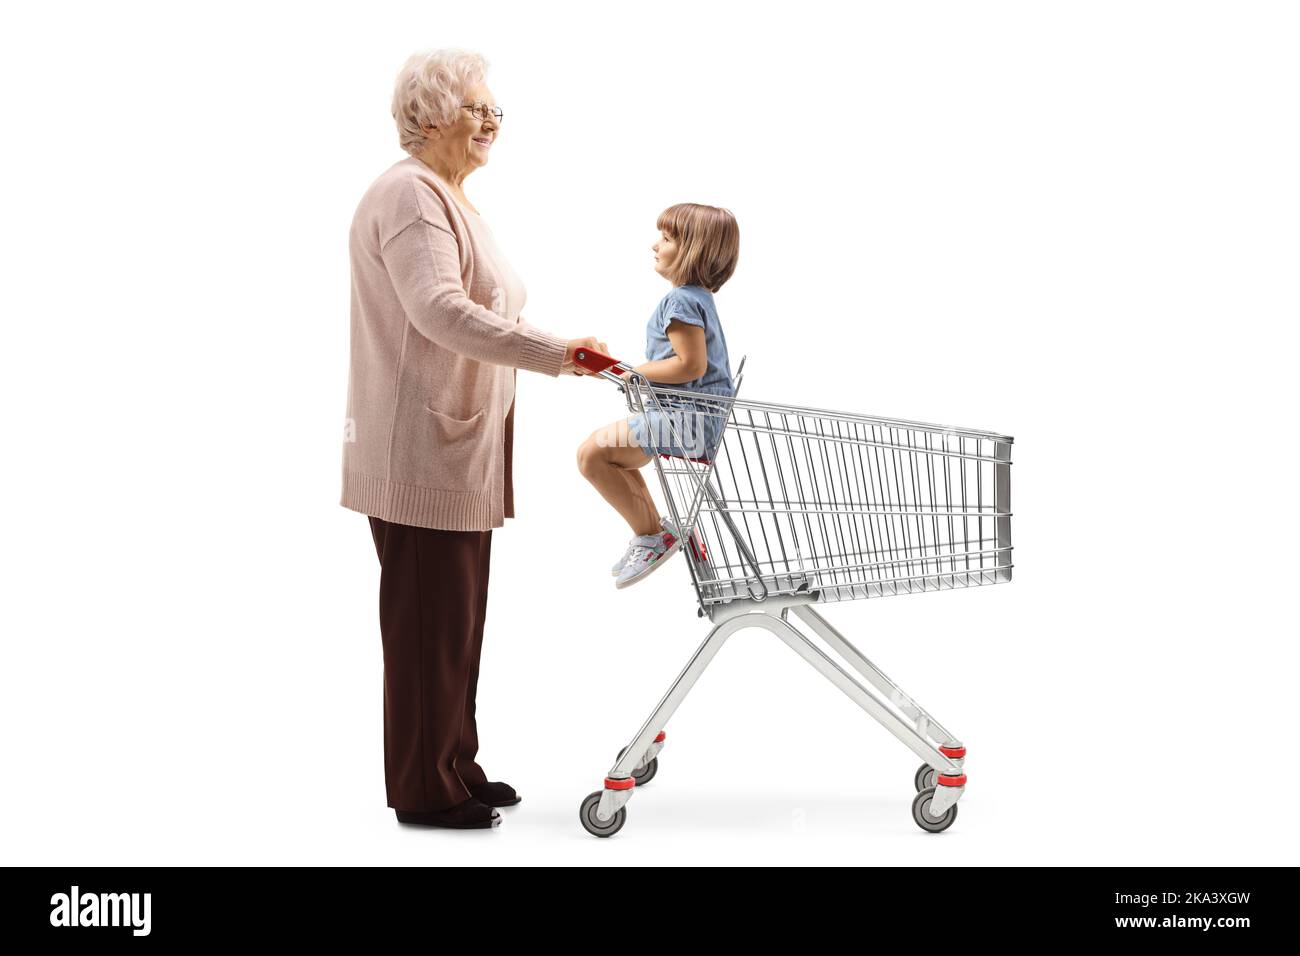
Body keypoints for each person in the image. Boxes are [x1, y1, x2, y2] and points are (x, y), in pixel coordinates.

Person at [341, 48, 606, 829]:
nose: (492, 121)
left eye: (497, 109)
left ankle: (454, 762)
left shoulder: (451, 199)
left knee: (452, 620)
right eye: (476, 107)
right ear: (427, 119)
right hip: (420, 448)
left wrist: (565, 349)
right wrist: (557, 356)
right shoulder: (413, 196)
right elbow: (442, 313)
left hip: (457, 450)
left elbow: (484, 313)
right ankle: (427, 790)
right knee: (430, 624)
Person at [575, 203, 739, 589]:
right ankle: (653, 532)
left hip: (686, 421)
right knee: (608, 455)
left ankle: (653, 536)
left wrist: (629, 373)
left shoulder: (681, 300)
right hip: (691, 421)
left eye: (666, 238)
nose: (655, 245)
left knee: (592, 454)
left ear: (692, 250)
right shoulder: (697, 299)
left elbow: (690, 366)